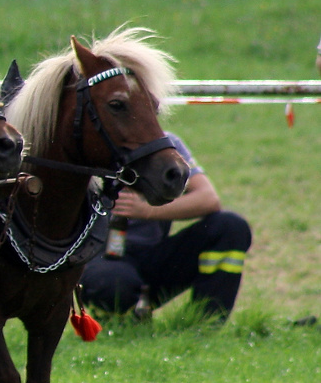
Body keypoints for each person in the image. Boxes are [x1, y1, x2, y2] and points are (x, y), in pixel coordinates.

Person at [79, 130, 252, 319]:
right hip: (101, 258)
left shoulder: (166, 145)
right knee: (111, 283)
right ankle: (120, 313)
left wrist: (147, 210)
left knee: (230, 226)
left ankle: (204, 324)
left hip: (153, 256)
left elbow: (208, 199)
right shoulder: (90, 143)